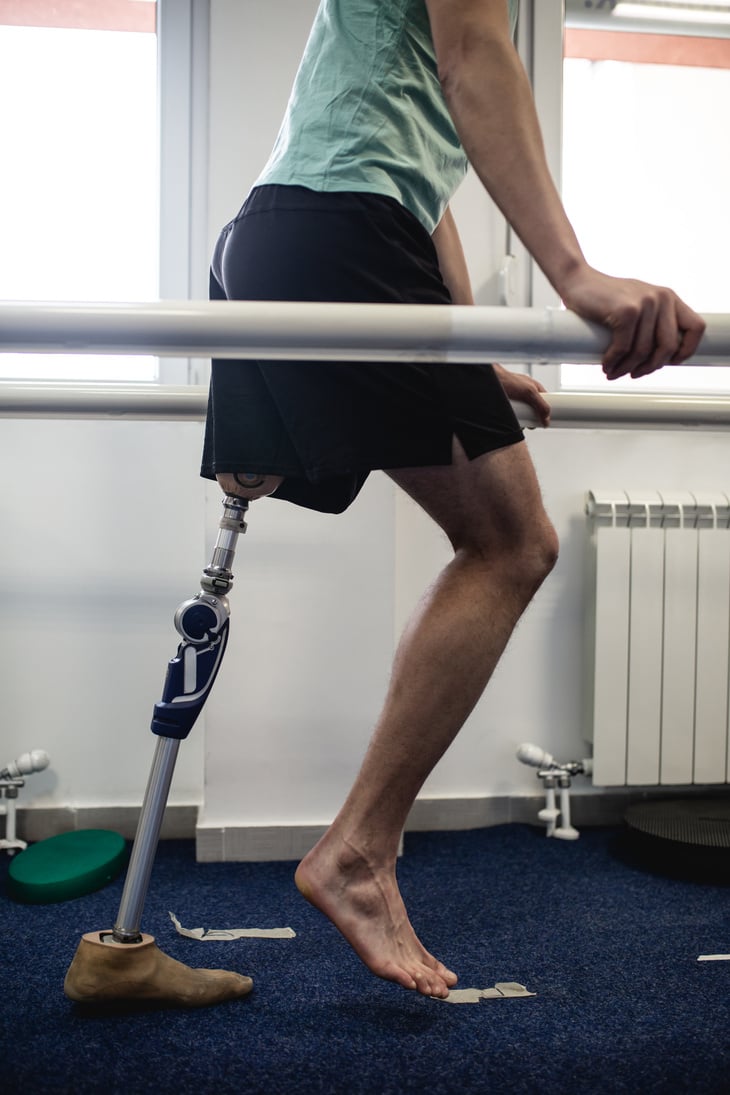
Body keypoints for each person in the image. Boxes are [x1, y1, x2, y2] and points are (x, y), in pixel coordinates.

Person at [201, 0, 705, 1000]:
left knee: (497, 537)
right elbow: (477, 62)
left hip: (289, 235)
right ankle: (355, 853)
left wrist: (467, 350)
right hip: (340, 233)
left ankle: (352, 850)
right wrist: (574, 275)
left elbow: (427, 179)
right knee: (512, 543)